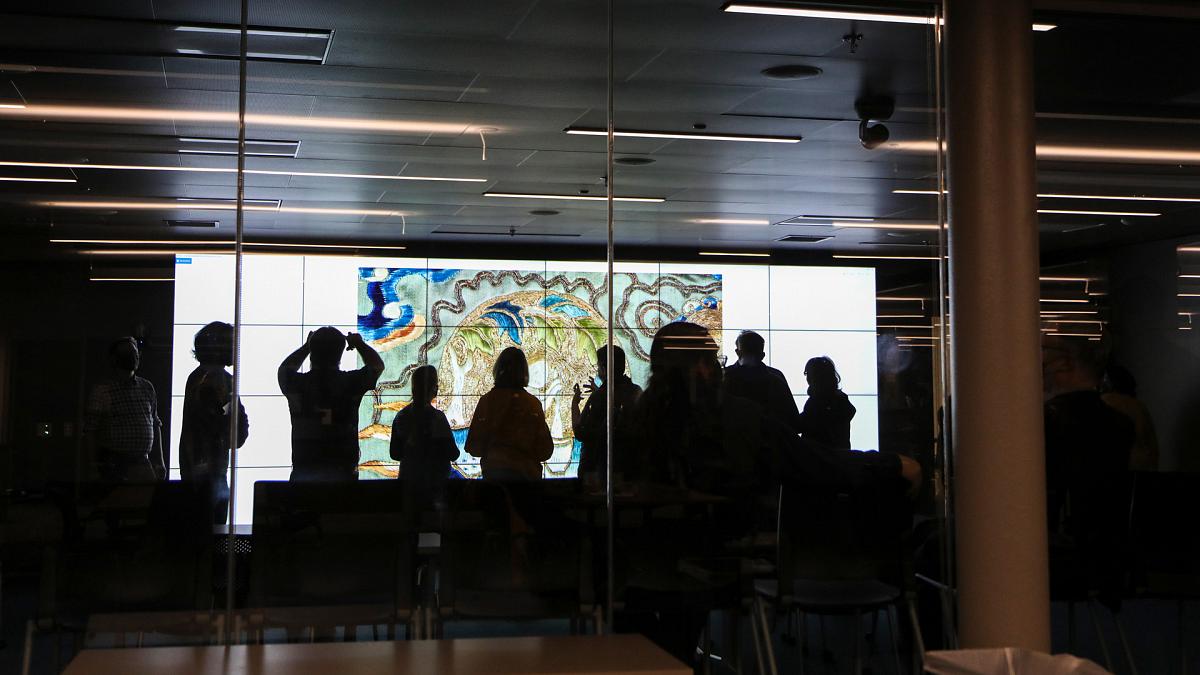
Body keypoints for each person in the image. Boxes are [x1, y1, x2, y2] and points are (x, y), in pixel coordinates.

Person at [1042, 336, 1134, 605]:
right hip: (1105, 559)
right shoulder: (1121, 425)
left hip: (1059, 557)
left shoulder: (1045, 424)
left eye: (1044, 358)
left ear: (1064, 365)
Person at [278, 327, 384, 481]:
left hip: (305, 472)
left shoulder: (298, 384)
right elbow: (376, 366)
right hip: (343, 472)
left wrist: (306, 346)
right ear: (339, 354)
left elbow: (284, 370)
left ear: (312, 353)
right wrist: (359, 344)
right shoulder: (350, 383)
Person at [180, 321, 249, 524]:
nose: (235, 349)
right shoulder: (217, 380)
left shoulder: (201, 377)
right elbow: (231, 427)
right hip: (208, 473)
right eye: (231, 343)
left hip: (203, 471)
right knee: (212, 535)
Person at [84, 337, 166, 482]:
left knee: (147, 500)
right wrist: (93, 466)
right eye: (127, 353)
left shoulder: (147, 387)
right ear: (114, 359)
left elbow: (155, 423)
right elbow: (90, 430)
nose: (133, 357)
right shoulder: (103, 391)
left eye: (135, 353)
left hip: (142, 462)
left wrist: (160, 461)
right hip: (114, 463)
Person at [466, 347, 553, 480]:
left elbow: (474, 447)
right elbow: (545, 451)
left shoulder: (487, 401)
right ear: (524, 371)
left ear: (498, 369)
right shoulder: (532, 404)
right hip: (527, 478)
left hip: (495, 479)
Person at [390, 364, 459, 513]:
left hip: (408, 484)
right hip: (435, 487)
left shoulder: (401, 416)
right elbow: (453, 453)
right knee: (432, 530)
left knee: (411, 528)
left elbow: (395, 454)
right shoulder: (437, 418)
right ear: (433, 388)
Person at [571, 345, 642, 488]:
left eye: (598, 366)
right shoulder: (635, 391)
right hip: (631, 469)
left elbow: (581, 432)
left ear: (603, 368)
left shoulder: (600, 397)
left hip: (600, 471)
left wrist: (574, 405)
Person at [722, 331, 802, 433]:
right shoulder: (776, 378)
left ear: (738, 352)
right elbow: (793, 422)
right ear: (762, 355)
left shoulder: (725, 377)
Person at [1100, 363, 1159, 471]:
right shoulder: (1139, 406)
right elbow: (1152, 443)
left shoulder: (1104, 401)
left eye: (1104, 379)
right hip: (1141, 463)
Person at [797, 356, 857, 449]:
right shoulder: (839, 399)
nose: (807, 378)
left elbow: (805, 423)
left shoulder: (817, 402)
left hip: (820, 456)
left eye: (809, 374)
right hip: (837, 457)